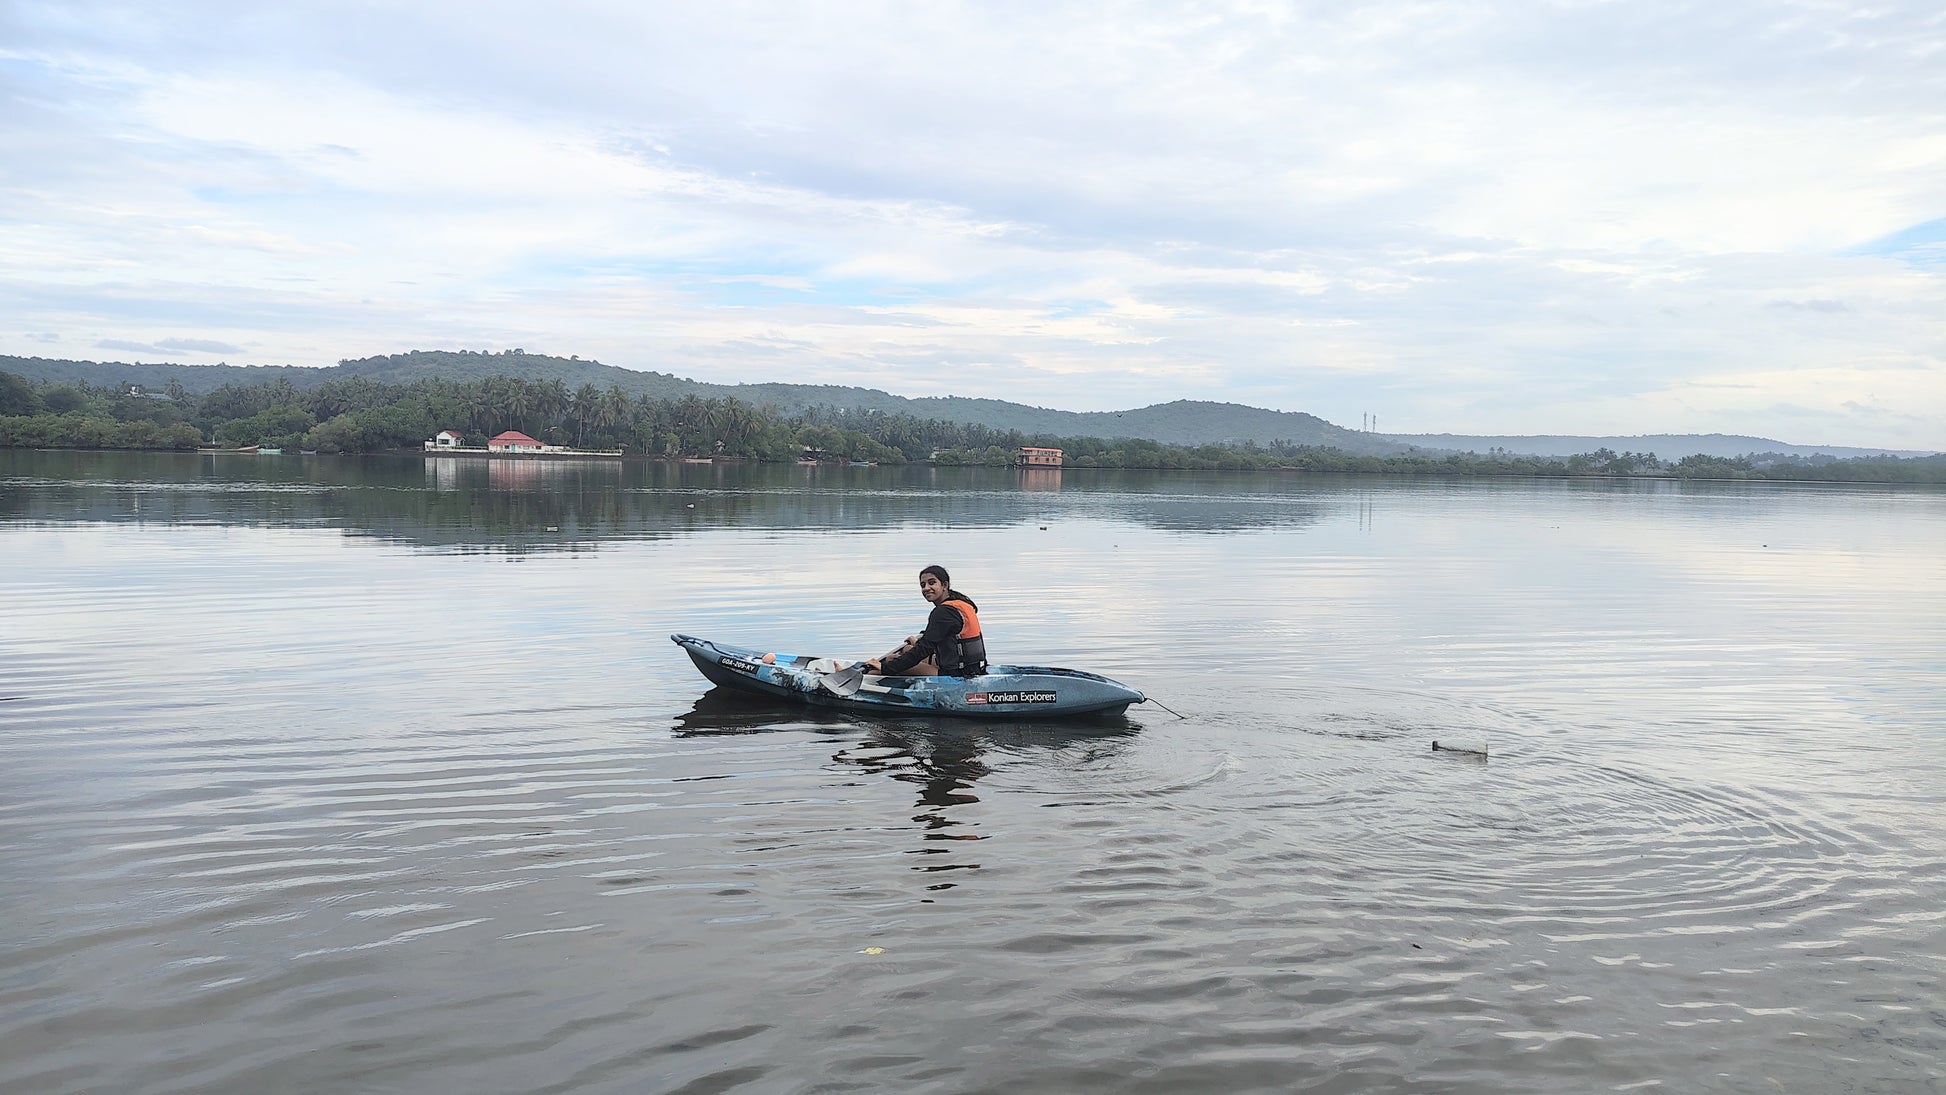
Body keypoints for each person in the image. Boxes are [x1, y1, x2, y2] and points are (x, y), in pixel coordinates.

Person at [865, 565, 987, 678]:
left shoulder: (943, 612)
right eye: (923, 585)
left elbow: (922, 651)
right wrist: (918, 642)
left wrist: (886, 667)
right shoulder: (962, 603)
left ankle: (868, 677)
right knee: (907, 649)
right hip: (974, 668)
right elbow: (945, 637)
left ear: (944, 585)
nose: (926, 588)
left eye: (932, 583)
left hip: (958, 675)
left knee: (891, 661)